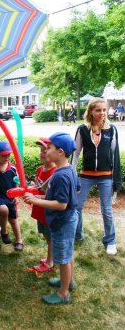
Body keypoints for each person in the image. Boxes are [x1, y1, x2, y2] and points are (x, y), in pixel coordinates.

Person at [24, 132, 79, 305]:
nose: (46, 150)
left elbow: (62, 204)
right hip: (69, 219)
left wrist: (37, 201)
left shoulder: (61, 175)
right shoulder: (68, 169)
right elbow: (75, 190)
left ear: (60, 152)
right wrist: (38, 197)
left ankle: (63, 293)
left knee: (62, 258)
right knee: (67, 254)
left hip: (63, 221)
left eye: (49, 148)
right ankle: (68, 281)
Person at [71, 98, 122, 255]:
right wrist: (72, 176)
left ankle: (110, 240)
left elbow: (115, 155)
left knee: (106, 209)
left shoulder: (111, 130)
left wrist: (116, 180)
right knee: (77, 206)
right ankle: (78, 235)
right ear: (91, 112)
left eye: (104, 110)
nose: (102, 113)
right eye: (98, 110)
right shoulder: (82, 130)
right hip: (85, 175)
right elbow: (75, 153)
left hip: (106, 176)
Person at [27, 139, 56, 274]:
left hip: (48, 211)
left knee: (50, 237)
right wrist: (28, 191)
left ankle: (50, 263)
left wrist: (35, 198)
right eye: (41, 150)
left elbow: (54, 198)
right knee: (45, 234)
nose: (42, 153)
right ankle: (51, 258)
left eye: (45, 150)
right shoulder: (40, 169)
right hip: (39, 208)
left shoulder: (55, 173)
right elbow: (38, 187)